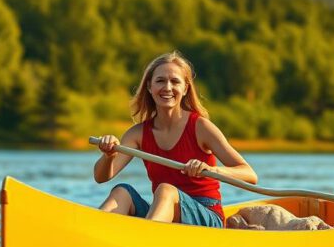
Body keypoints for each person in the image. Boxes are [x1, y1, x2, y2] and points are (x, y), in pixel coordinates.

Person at [94, 50, 257, 227]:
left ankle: (145, 243)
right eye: (160, 81)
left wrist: (212, 170)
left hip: (208, 216)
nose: (168, 88)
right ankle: (94, 236)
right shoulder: (137, 134)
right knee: (121, 192)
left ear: (185, 88)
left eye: (175, 81)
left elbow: (249, 174)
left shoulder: (201, 127)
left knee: (165, 190)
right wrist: (108, 156)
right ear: (149, 87)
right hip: (165, 213)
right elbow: (101, 177)